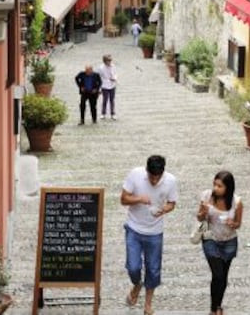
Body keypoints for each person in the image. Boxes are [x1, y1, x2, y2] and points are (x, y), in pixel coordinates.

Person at [120, 155, 178, 315]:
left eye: (157, 178)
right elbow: (123, 199)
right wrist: (138, 199)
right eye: (152, 177)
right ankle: (136, 284)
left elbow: (172, 203)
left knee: (153, 269)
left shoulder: (171, 181)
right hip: (133, 227)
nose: (154, 181)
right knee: (133, 267)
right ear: (146, 171)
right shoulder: (135, 175)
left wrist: (164, 210)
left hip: (155, 231)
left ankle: (148, 304)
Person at [196, 170, 243, 315]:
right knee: (217, 274)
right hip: (211, 238)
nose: (216, 188)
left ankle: (217, 306)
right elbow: (199, 217)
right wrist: (203, 213)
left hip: (229, 241)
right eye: (215, 184)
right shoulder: (206, 196)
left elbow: (238, 224)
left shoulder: (237, 202)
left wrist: (232, 223)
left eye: (220, 186)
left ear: (228, 188)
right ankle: (213, 309)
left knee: (223, 277)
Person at [98, 54, 117, 119]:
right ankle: (103, 113)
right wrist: (99, 88)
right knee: (105, 100)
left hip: (112, 85)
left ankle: (113, 113)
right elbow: (99, 78)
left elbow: (115, 74)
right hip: (104, 85)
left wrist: (114, 78)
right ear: (105, 61)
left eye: (110, 60)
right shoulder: (101, 68)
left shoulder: (113, 66)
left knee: (112, 100)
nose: (110, 61)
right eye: (108, 60)